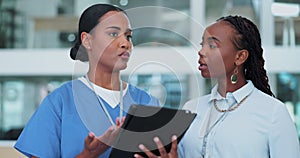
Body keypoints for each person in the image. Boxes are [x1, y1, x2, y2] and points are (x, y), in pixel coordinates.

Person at [135, 15, 300, 158]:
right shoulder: (192, 108)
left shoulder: (273, 113)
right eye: (202, 45)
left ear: (240, 56)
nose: (201, 52)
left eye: (212, 46)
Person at [14, 4, 159, 158]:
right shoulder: (60, 102)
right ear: (87, 41)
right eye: (113, 34)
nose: (125, 43)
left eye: (128, 36)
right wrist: (88, 154)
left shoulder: (148, 103)